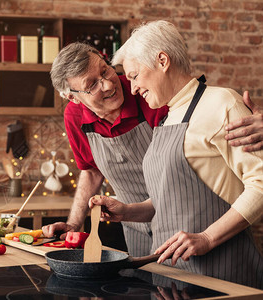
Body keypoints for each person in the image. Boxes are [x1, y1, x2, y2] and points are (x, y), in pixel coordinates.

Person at [42, 42, 263, 258]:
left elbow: (202, 134)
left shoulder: (148, 94)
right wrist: (74, 223)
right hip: (134, 225)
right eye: (92, 85)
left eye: (105, 70)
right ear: (72, 97)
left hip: (195, 223)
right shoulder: (74, 116)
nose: (108, 85)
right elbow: (91, 170)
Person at [93, 20, 263, 288]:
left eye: (135, 76)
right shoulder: (168, 116)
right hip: (170, 277)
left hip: (223, 274)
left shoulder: (222, 104)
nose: (133, 88)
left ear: (162, 60)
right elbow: (169, 201)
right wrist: (126, 211)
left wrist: (207, 238)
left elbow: (260, 185)